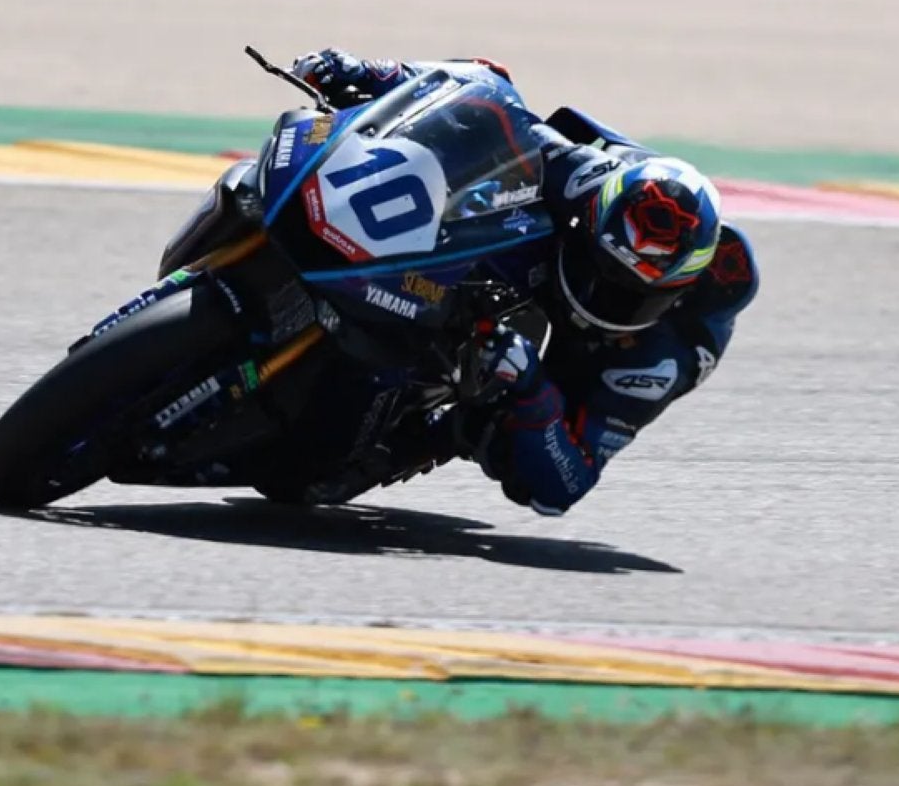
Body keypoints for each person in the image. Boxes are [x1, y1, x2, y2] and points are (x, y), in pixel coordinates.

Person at [287, 47, 760, 515]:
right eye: (602, 271)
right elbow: (482, 98)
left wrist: (532, 387)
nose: (603, 292)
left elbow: (564, 486)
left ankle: (415, 440)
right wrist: (373, 74)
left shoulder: (660, 359)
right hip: (550, 251)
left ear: (674, 292)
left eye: (627, 293)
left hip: (579, 358)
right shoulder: (582, 180)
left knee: (500, 440)